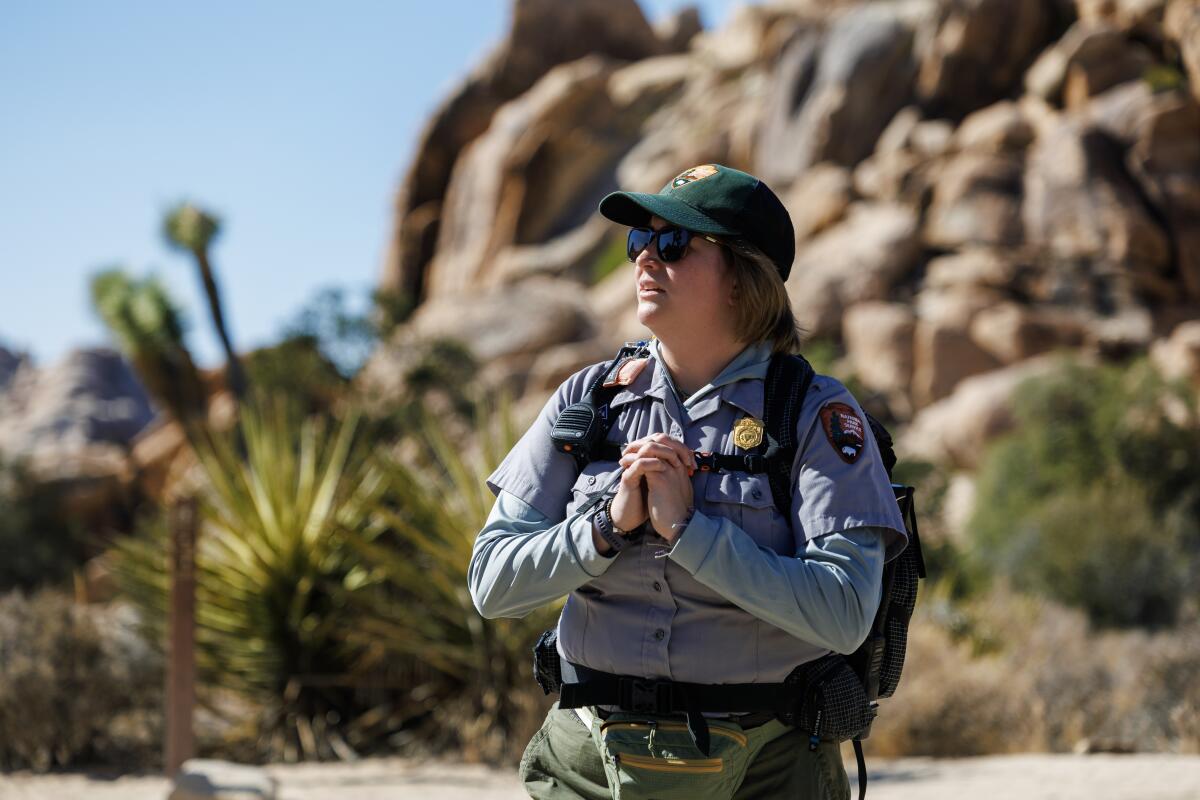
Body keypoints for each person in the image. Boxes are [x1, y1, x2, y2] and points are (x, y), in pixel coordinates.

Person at [468, 164, 908, 800]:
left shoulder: (811, 413)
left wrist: (689, 533)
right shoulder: (588, 401)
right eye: (638, 242)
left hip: (766, 768)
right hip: (588, 761)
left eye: (673, 244)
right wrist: (604, 529)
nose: (646, 258)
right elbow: (490, 583)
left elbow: (843, 614)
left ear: (743, 278)